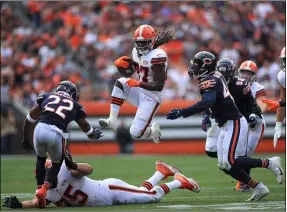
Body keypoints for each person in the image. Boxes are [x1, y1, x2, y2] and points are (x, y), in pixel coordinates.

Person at [166, 51, 284, 201]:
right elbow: (212, 101)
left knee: (231, 161)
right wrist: (206, 115)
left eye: (197, 65)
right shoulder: (214, 77)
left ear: (205, 66)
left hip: (234, 121)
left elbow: (207, 102)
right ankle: (259, 187)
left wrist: (182, 112)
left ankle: (269, 163)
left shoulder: (210, 80)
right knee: (224, 165)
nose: (193, 68)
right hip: (225, 123)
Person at [2, 154, 200, 209]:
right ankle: (160, 172)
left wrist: (74, 166)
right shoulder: (48, 190)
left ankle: (179, 182)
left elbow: (89, 170)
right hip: (107, 195)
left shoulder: (65, 170)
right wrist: (19, 205)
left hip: (109, 190)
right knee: (141, 192)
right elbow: (37, 202)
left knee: (152, 197)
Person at [20, 81, 103, 208]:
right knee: (57, 163)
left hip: (39, 128)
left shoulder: (46, 97)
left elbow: (29, 120)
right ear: (73, 93)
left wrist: (26, 139)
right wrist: (93, 134)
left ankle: (38, 190)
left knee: (40, 159)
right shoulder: (75, 105)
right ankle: (44, 190)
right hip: (56, 132)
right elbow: (84, 125)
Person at [98, 25, 173, 143]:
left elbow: (159, 86)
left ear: (151, 41)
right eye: (139, 42)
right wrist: (121, 66)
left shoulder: (158, 55)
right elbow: (130, 72)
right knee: (121, 82)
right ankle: (112, 119)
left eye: (144, 43)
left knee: (135, 133)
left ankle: (153, 131)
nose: (141, 46)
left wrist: (138, 84)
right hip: (140, 90)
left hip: (152, 96)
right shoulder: (135, 52)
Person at [203, 58, 264, 192]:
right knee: (223, 157)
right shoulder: (216, 83)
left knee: (241, 155)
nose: (246, 75)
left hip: (250, 122)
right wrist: (206, 115)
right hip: (231, 121)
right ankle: (256, 172)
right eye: (244, 72)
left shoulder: (245, 85)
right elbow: (209, 101)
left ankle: (247, 182)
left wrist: (253, 115)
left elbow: (257, 104)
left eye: (250, 73)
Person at [261, 47, 286, 148]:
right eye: (285, 60)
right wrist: (278, 125)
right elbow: (283, 99)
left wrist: (282, 103)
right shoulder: (283, 76)